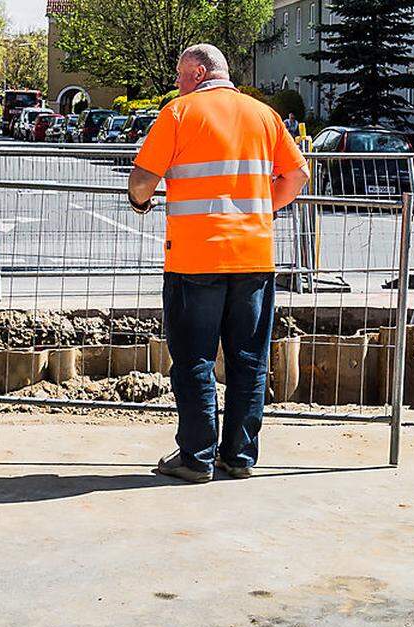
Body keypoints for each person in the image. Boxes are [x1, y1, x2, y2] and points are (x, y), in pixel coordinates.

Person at [127, 44, 310, 483]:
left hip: (195, 258)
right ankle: (240, 457)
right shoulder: (264, 115)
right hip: (253, 257)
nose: (175, 81)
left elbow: (141, 181)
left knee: (194, 359)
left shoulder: (178, 113)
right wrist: (262, 210)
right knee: (249, 359)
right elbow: (298, 175)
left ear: (197, 71)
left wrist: (140, 202)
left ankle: (196, 458)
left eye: (178, 72)